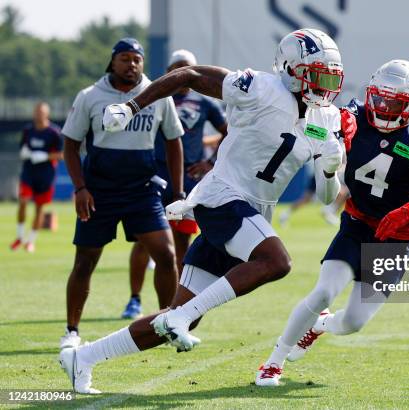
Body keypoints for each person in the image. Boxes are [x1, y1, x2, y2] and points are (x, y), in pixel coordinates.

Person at [59, 28, 345, 394]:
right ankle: (180, 316)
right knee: (277, 262)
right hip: (222, 197)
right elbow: (189, 76)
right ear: (290, 68)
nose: (323, 86)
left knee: (177, 319)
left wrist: (329, 169)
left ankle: (82, 358)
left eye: (329, 77)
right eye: (316, 75)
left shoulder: (327, 119)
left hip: (253, 213)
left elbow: (326, 197)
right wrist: (132, 107)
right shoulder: (259, 87)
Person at [255, 60, 409, 386]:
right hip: (357, 223)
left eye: (393, 103)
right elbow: (311, 126)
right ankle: (273, 362)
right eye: (378, 99)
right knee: (324, 292)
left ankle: (318, 326)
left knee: (354, 322)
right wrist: (328, 135)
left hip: (397, 238)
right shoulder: (352, 116)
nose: (382, 108)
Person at [59, 38, 185, 351]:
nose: (132, 64)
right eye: (125, 58)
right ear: (112, 62)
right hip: (98, 192)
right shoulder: (90, 96)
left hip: (141, 191)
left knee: (167, 256)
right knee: (85, 262)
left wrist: (178, 190)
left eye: (137, 59)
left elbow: (174, 141)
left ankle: (170, 324)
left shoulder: (157, 94)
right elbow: (71, 146)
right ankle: (72, 331)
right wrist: (80, 188)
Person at [122, 49, 228, 320]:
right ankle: (134, 299)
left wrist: (210, 162)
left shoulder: (205, 103)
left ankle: (177, 303)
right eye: (177, 67)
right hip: (154, 177)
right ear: (169, 71)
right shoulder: (155, 97)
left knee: (182, 242)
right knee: (145, 241)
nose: (182, 73)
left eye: (187, 67)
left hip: (189, 181)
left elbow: (229, 131)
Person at [10, 102, 63, 253]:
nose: (38, 115)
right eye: (36, 112)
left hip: (45, 175)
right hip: (28, 172)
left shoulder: (54, 132)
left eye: (41, 112)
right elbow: (23, 148)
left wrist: (45, 156)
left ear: (47, 114)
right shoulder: (28, 130)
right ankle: (20, 237)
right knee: (23, 201)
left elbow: (61, 155)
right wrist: (24, 152)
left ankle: (31, 241)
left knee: (39, 208)